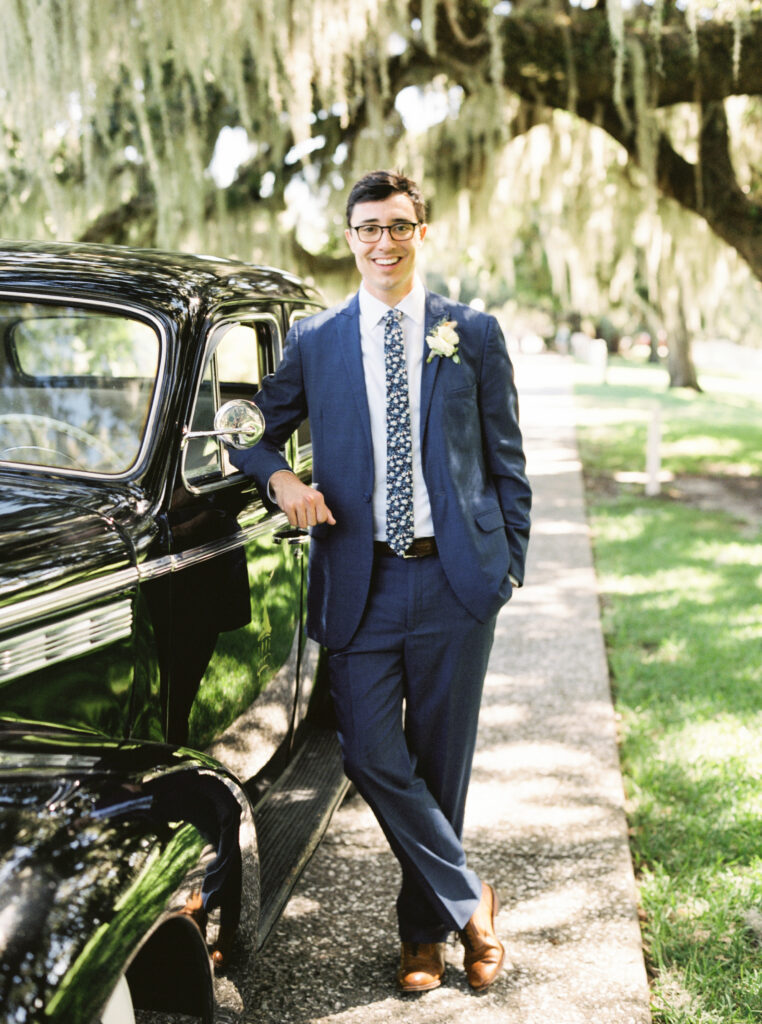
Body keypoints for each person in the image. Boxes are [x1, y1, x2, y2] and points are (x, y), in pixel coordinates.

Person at [229, 170, 531, 993]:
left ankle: (420, 934)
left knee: (441, 763)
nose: (383, 242)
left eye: (399, 227)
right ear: (350, 237)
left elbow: (507, 462)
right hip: (358, 579)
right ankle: (472, 901)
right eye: (368, 228)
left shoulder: (470, 332)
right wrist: (279, 481)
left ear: (422, 235)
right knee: (366, 752)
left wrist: (506, 567)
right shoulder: (318, 341)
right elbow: (250, 436)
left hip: (455, 583)